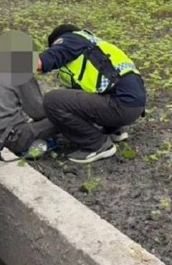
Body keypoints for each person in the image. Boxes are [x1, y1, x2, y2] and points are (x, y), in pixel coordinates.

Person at [38, 24, 146, 164]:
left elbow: (39, 63)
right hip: (135, 105)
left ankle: (96, 144)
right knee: (78, 93)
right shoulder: (94, 45)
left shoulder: (69, 40)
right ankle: (114, 130)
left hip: (121, 106)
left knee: (52, 100)